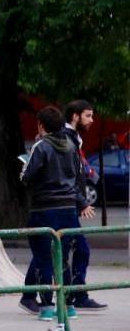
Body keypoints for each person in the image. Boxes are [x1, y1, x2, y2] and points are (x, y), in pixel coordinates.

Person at [18, 106, 92, 316]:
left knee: (43, 258)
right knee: (63, 258)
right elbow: (76, 175)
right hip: (68, 208)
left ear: (41, 125)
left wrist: (23, 169)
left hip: (44, 207)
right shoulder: (71, 145)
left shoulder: (41, 146)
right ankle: (68, 306)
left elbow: (27, 176)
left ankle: (47, 306)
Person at [61, 100, 106, 310]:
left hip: (70, 203)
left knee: (61, 249)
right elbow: (66, 176)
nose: (92, 120)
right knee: (74, 249)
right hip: (65, 203)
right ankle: (74, 295)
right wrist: (81, 201)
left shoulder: (74, 139)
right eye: (88, 115)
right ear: (75, 116)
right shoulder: (66, 140)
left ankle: (73, 294)